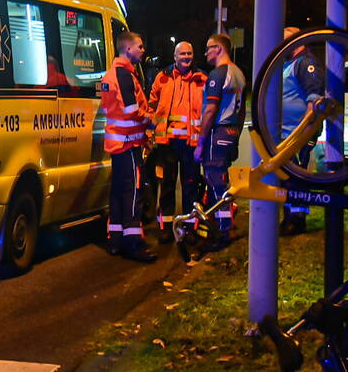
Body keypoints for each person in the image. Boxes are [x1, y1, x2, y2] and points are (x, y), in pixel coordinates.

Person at [101, 31, 156, 262]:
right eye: (140, 47)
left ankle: (116, 240)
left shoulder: (112, 74)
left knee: (118, 192)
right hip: (129, 142)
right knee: (133, 191)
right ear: (128, 49)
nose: (143, 50)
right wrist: (151, 119)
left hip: (118, 142)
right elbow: (130, 110)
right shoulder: (124, 75)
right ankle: (134, 243)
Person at [149, 41, 207, 243]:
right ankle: (165, 227)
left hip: (191, 144)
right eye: (182, 53)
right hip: (167, 143)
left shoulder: (202, 79)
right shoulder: (163, 77)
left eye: (189, 53)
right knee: (166, 185)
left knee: (191, 186)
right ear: (174, 56)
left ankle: (190, 227)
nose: (186, 57)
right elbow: (152, 103)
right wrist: (151, 131)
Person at [194, 33, 247, 251]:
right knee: (222, 180)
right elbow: (242, 110)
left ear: (219, 49)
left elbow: (210, 110)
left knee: (216, 183)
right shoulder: (239, 74)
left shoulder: (218, 74)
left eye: (208, 48)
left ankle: (223, 231)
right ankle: (225, 225)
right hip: (231, 131)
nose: (205, 52)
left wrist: (200, 142)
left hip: (218, 132)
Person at [279, 27, 325, 235]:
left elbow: (313, 99)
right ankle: (289, 216)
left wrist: (305, 131)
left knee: (298, 178)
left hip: (298, 134)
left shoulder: (305, 63)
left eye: (285, 41)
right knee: (288, 178)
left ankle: (297, 220)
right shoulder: (289, 64)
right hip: (287, 134)